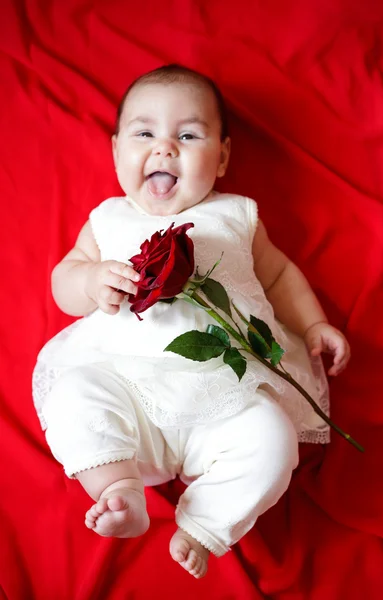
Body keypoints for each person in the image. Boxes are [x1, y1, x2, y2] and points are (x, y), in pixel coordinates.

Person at [32, 64, 351, 579]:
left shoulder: (237, 217)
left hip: (224, 402)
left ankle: (205, 523)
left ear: (222, 156)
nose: (164, 148)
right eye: (144, 133)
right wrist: (90, 280)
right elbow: (62, 280)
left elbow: (280, 276)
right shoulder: (109, 219)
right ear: (116, 152)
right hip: (130, 402)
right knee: (75, 393)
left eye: (187, 135)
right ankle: (118, 490)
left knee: (274, 440)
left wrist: (313, 325)